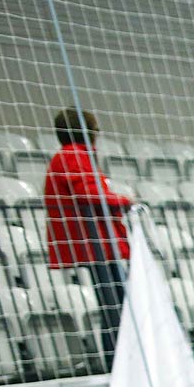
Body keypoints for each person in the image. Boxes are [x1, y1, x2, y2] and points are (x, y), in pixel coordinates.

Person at [42, 108, 131, 369]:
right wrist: (124, 202)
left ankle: (121, 361)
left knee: (117, 305)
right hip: (94, 243)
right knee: (114, 306)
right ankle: (118, 364)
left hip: (98, 242)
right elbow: (87, 193)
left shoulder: (76, 157)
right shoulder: (72, 156)